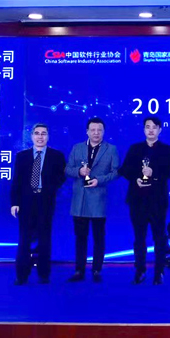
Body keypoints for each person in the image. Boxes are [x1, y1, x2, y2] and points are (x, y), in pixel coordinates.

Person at [119, 116, 170, 285]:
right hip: (137, 200)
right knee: (139, 238)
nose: (151, 130)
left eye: (154, 127)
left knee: (159, 237)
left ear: (160, 130)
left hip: (157, 200)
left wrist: (154, 173)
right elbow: (124, 170)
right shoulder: (135, 148)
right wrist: (136, 178)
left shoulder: (166, 150)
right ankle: (140, 270)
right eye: (147, 127)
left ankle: (159, 272)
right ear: (144, 129)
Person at [65, 117, 120, 283]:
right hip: (80, 200)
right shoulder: (77, 148)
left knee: (98, 237)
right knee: (80, 237)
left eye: (99, 130)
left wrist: (99, 180)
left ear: (104, 132)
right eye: (93, 130)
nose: (96, 133)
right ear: (87, 131)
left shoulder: (111, 149)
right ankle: (79, 270)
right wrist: (79, 172)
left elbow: (116, 172)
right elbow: (67, 169)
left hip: (98, 199)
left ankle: (97, 270)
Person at [10, 123, 66, 285]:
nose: (40, 136)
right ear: (32, 136)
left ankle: (43, 274)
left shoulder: (57, 156)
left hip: (45, 202)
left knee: (44, 238)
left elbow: (61, 177)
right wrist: (14, 202)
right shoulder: (22, 156)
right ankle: (22, 275)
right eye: (37, 133)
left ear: (48, 136)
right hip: (26, 202)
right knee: (24, 238)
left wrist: (49, 188)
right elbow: (17, 181)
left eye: (43, 133)